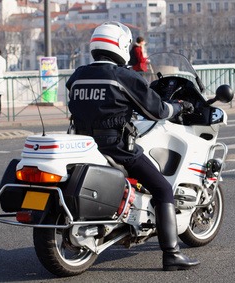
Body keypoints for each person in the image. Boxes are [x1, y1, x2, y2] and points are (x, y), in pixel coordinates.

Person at [66, 21, 199, 271]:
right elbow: (158, 110)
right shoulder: (124, 76)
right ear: (122, 46)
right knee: (162, 189)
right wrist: (180, 106)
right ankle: (172, 254)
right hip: (117, 149)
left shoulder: (77, 76)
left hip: (83, 146)